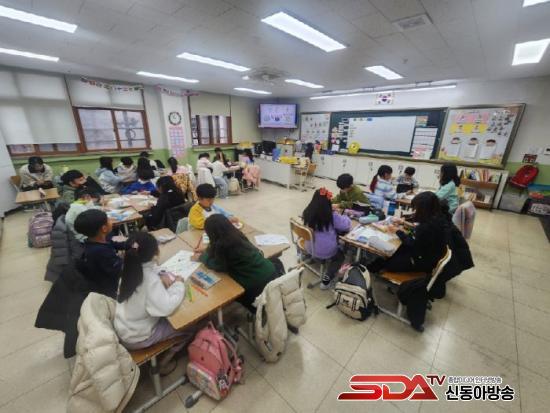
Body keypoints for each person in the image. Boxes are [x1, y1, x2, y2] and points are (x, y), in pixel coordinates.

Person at [114, 232, 188, 373]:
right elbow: (167, 308)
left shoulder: (128, 269)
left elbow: (150, 270)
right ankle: (163, 364)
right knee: (189, 324)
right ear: (156, 252)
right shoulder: (149, 281)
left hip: (125, 328)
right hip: (138, 337)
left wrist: (160, 276)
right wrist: (178, 284)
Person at [195, 214, 283, 312]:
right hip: (273, 275)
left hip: (256, 289)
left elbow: (217, 265)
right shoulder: (237, 235)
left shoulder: (223, 246)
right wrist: (207, 250)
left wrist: (202, 257)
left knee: (227, 290)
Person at [368, 192, 449, 276]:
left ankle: (376, 267)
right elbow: (419, 235)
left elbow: (412, 243)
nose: (415, 211)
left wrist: (397, 231)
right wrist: (403, 223)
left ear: (424, 209)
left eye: (416, 208)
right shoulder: (437, 218)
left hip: (422, 261)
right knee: (392, 252)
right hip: (426, 254)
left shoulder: (428, 227)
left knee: (389, 261)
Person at [303, 188, 351, 289]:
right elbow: (346, 226)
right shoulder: (331, 216)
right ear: (328, 202)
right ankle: (327, 279)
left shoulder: (307, 211)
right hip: (326, 250)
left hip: (309, 246)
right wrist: (346, 216)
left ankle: (309, 258)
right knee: (340, 257)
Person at [73, 209, 128, 298]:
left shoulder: (95, 241)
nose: (111, 220)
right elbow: (120, 270)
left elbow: (114, 244)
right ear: (104, 229)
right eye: (108, 219)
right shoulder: (100, 252)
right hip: (111, 289)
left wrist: (130, 244)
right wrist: (131, 256)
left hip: (108, 275)